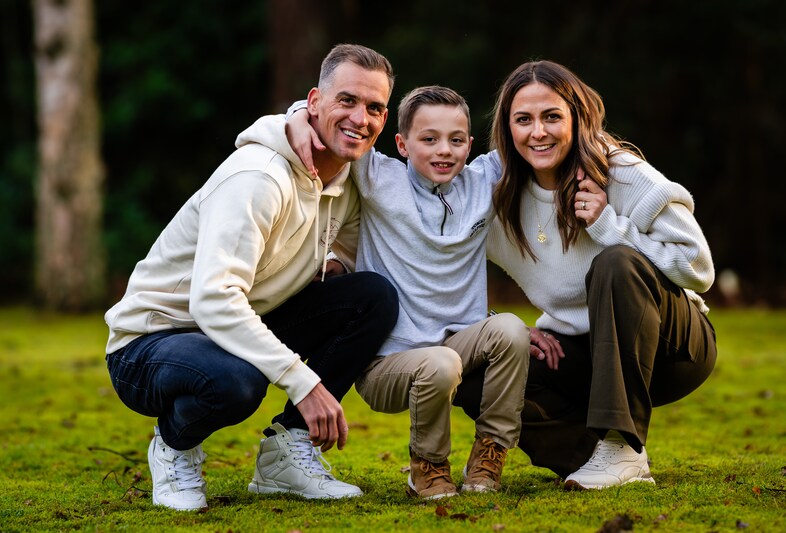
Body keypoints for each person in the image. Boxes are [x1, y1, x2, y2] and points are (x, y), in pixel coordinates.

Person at [103, 44, 399, 511]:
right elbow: (214, 299)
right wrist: (303, 381)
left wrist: (334, 267)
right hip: (151, 342)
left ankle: (286, 455)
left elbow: (352, 247)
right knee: (237, 381)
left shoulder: (348, 179)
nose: (361, 118)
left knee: (372, 296)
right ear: (314, 102)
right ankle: (174, 446)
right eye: (347, 100)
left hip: (236, 326)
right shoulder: (259, 178)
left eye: (375, 107)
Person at [457, 60, 718, 490]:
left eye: (551, 116)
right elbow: (434, 253)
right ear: (507, 128)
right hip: (581, 356)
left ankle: (620, 443)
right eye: (523, 120)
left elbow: (698, 268)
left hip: (671, 351)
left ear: (577, 119)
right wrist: (495, 325)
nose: (537, 132)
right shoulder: (494, 190)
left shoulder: (621, 174)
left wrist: (608, 225)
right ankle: (595, 458)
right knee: (471, 372)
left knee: (616, 262)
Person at [283, 86, 531, 499]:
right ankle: (427, 467)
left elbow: (535, 137)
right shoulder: (379, 177)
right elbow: (325, 121)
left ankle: (490, 452)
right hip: (388, 364)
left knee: (512, 330)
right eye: (429, 139)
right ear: (401, 144)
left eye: (455, 140)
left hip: (458, 345)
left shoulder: (484, 180)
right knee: (439, 363)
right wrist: (296, 114)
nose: (444, 150)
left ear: (470, 145)